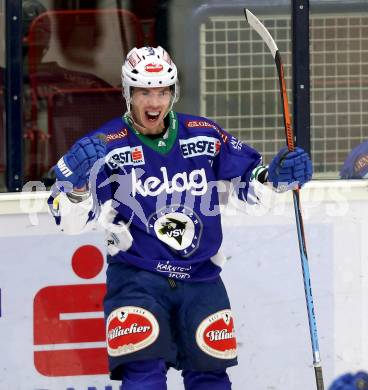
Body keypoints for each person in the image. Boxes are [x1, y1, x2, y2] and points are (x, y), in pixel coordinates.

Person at [49, 46, 313, 389]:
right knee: (144, 379)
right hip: (137, 279)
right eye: (145, 92)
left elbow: (250, 187)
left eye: (162, 91)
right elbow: (71, 223)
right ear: (129, 93)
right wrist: (78, 186)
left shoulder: (203, 134)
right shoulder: (106, 146)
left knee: (211, 380)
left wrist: (274, 180)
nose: (154, 102)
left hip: (202, 278)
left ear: (173, 92)